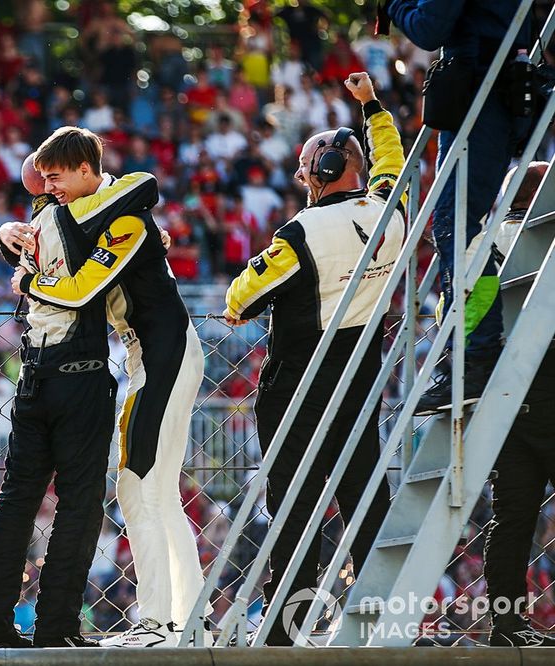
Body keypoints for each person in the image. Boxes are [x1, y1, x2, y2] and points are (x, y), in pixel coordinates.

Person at [8, 126, 208, 649]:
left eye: (56, 177)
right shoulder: (98, 214)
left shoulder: (122, 217)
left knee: (139, 489)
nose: (49, 188)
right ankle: (188, 621)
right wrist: (15, 235)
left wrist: (28, 282)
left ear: (84, 169)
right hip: (157, 355)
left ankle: (158, 623)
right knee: (157, 494)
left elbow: (78, 290)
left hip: (162, 357)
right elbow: (54, 238)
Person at [222, 73, 404, 645]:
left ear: (324, 170)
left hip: (298, 386)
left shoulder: (301, 230)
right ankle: (386, 621)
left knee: (295, 505)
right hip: (363, 378)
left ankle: (283, 630)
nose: (302, 178)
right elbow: (391, 161)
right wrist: (372, 105)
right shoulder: (391, 211)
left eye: (306, 168)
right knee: (364, 500)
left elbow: (239, 299)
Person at [0, 151, 161, 652]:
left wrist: (10, 234)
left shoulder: (38, 220)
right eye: (48, 179)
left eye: (54, 178)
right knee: (78, 507)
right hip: (80, 375)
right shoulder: (87, 216)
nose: (51, 186)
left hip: (33, 374)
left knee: (15, 503)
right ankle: (57, 626)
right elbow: (143, 188)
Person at [383, 1, 532, 411]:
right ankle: (468, 351)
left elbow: (430, 28)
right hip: (484, 91)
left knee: (456, 226)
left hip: (480, 95)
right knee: (457, 227)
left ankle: (478, 353)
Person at [482, 161, 555, 647]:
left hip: (504, 393)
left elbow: (467, 319)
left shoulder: (484, 248)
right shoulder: (549, 244)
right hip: (550, 383)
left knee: (511, 518)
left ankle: (506, 623)